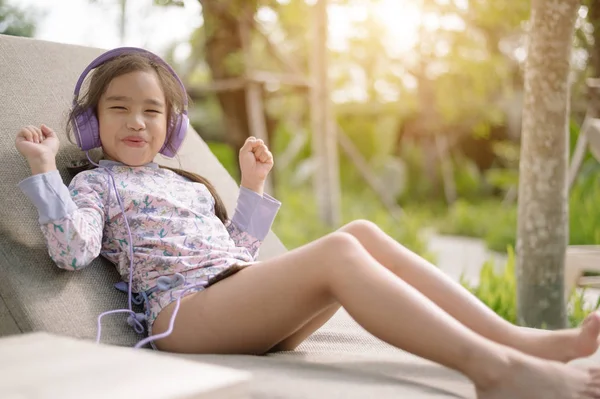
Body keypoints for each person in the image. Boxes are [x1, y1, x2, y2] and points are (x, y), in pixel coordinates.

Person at [13, 47, 600, 399]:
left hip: (229, 300)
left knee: (361, 233)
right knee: (341, 255)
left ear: (173, 129)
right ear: (91, 124)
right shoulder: (94, 183)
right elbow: (72, 251)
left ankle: (522, 341)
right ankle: (493, 371)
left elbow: (237, 252)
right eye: (119, 109)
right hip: (183, 318)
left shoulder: (181, 183)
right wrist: (44, 172)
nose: (136, 122)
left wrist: (251, 188)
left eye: (152, 111)